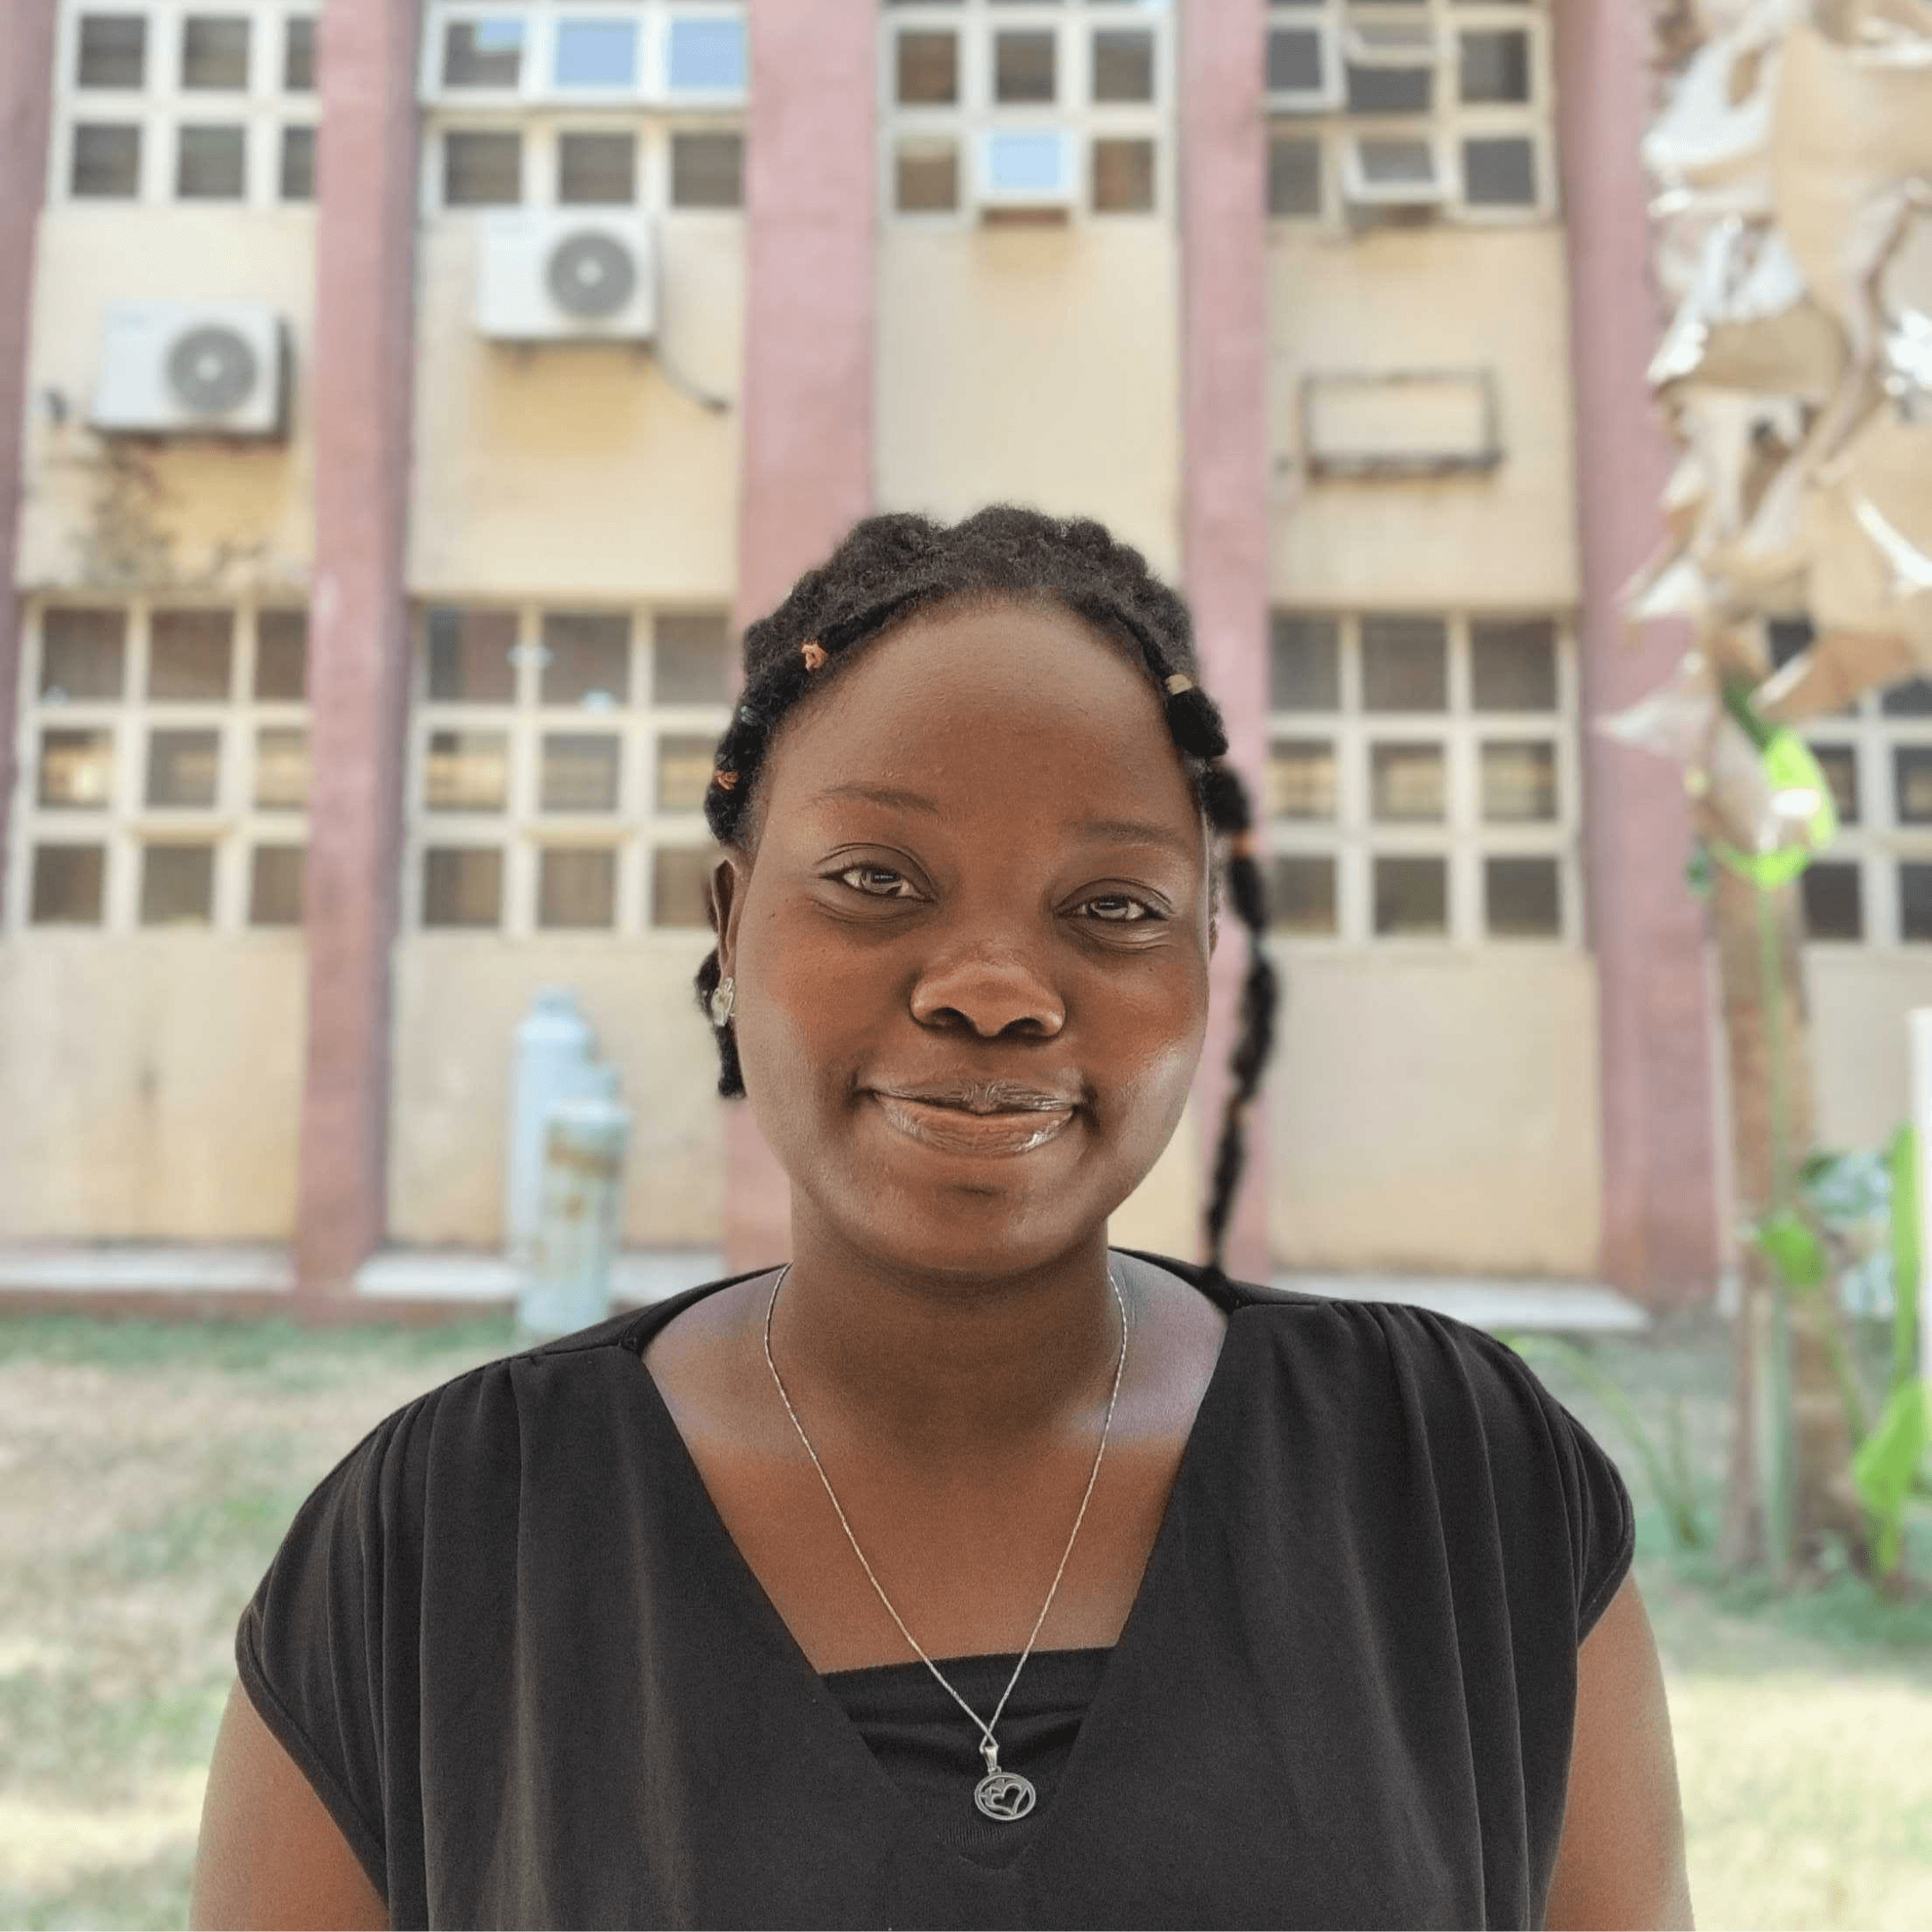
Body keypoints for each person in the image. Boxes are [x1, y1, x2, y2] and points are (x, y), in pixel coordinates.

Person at [190, 507, 1694, 1930]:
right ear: (727, 926)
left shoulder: (1455, 1480)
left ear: (1205, 959)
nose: (993, 988)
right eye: (875, 879)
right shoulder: (437, 1547)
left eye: (1112, 908)